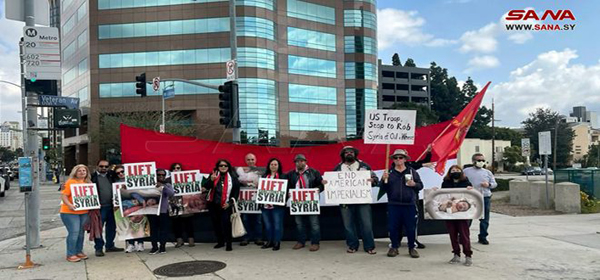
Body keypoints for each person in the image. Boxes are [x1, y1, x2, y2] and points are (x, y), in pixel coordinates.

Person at [332, 146, 379, 255]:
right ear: (343, 155)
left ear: (355, 154)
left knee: (366, 224)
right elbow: (332, 183)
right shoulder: (338, 168)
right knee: (348, 225)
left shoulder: (364, 166)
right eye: (346, 152)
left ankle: (369, 246)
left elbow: (376, 179)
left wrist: (372, 180)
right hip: (345, 201)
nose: (349, 153)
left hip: (362, 200)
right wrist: (327, 183)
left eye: (351, 152)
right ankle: (352, 245)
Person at [380, 149, 423, 258]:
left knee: (410, 228)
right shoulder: (388, 173)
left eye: (401, 157)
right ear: (393, 160)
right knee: (393, 227)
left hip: (409, 204)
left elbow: (420, 185)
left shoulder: (412, 171)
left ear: (405, 159)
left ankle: (411, 248)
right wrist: (383, 180)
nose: (398, 159)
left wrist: (414, 184)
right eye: (396, 157)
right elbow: (383, 188)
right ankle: (394, 247)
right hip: (393, 204)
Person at [286, 154, 324, 252]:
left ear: (306, 162)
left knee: (314, 223)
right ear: (295, 163)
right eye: (297, 161)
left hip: (311, 202)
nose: (300, 163)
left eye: (302, 161)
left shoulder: (314, 172)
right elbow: (287, 186)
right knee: (299, 223)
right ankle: (300, 241)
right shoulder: (291, 174)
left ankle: (315, 243)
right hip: (297, 202)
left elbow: (321, 184)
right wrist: (288, 193)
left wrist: (318, 189)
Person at [203, 159, 240, 251]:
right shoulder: (213, 175)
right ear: (218, 167)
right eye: (221, 166)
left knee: (226, 225)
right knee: (216, 224)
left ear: (228, 167)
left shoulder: (233, 177)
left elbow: (236, 193)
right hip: (213, 204)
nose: (223, 167)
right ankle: (220, 242)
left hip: (225, 205)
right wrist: (211, 180)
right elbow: (206, 187)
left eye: (225, 166)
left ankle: (229, 243)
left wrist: (229, 203)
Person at [440, 165, 474, 266]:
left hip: (462, 216)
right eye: (453, 170)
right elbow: (442, 196)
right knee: (452, 234)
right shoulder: (445, 183)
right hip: (450, 215)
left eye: (457, 170)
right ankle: (456, 254)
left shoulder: (466, 182)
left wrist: (471, 189)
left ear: (461, 172)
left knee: (464, 235)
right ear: (449, 172)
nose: (455, 172)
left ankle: (468, 255)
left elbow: (472, 195)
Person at [60, 164, 91, 262]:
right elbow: (64, 196)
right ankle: (70, 254)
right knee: (74, 232)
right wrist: (69, 205)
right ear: (75, 172)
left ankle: (79, 251)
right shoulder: (70, 182)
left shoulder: (88, 183)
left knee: (81, 233)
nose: (82, 172)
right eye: (79, 171)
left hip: (84, 212)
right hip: (69, 212)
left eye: (84, 171)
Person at [464, 153, 497, 245]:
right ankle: (464, 236)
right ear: (473, 161)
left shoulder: (487, 172)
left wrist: (489, 185)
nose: (481, 162)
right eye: (479, 160)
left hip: (484, 197)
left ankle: (483, 237)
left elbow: (494, 184)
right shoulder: (466, 171)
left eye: (482, 160)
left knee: (484, 219)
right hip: (470, 197)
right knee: (467, 218)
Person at [92, 159, 123, 256]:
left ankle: (110, 246)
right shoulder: (92, 177)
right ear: (97, 166)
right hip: (99, 207)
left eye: (106, 166)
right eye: (101, 166)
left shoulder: (111, 175)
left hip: (112, 206)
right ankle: (99, 248)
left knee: (111, 227)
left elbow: (122, 177)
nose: (104, 168)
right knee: (98, 228)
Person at [114, 166, 145, 253]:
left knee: (138, 223)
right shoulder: (116, 183)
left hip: (135, 206)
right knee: (127, 224)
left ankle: (140, 243)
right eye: (118, 173)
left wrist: (141, 200)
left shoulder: (133, 181)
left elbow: (136, 193)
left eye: (122, 171)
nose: (120, 174)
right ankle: (131, 244)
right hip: (124, 207)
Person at [236, 153, 265, 246]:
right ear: (245, 161)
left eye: (252, 159)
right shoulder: (240, 171)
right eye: (248, 160)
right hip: (245, 200)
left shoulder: (261, 172)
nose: (250, 161)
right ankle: (246, 238)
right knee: (245, 219)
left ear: (255, 160)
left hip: (257, 199)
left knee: (258, 220)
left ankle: (258, 238)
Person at [261, 158, 287, 251]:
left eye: (275, 164)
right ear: (268, 166)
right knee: (267, 225)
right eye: (271, 164)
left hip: (277, 206)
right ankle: (269, 241)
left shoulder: (283, 176)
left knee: (277, 224)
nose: (273, 166)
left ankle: (277, 242)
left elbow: (286, 190)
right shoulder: (264, 176)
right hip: (265, 205)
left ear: (278, 166)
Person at [148, 169, 175, 254]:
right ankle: (154, 247)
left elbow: (171, 194)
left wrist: (163, 187)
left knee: (164, 229)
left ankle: (162, 246)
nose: (161, 176)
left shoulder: (167, 185)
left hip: (163, 211)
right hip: (152, 211)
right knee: (153, 230)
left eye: (163, 175)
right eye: (159, 175)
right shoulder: (150, 185)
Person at [169, 163, 196, 248]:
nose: (176, 169)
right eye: (174, 168)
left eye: (178, 168)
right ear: (171, 170)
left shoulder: (188, 179)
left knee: (189, 222)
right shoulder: (168, 180)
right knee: (176, 223)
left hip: (186, 204)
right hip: (174, 204)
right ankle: (179, 240)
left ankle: (191, 240)